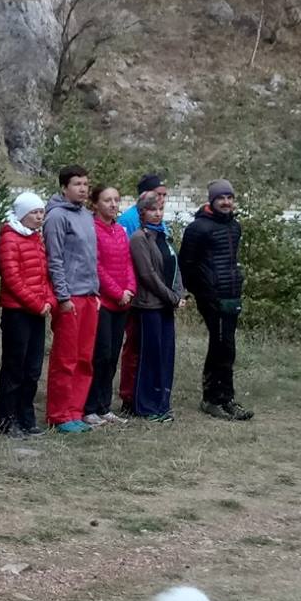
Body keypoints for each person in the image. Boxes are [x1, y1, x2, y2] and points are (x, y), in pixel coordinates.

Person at [179, 179, 252, 421]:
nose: (226, 202)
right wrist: (201, 292)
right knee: (220, 346)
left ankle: (227, 398)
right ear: (212, 200)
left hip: (231, 294)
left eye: (230, 197)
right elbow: (186, 266)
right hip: (212, 297)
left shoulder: (235, 227)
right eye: (221, 198)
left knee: (227, 347)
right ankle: (211, 399)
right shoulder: (197, 229)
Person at [42, 165, 100, 434]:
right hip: (70, 297)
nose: (83, 188)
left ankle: (76, 410)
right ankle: (59, 414)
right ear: (64, 187)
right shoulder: (56, 217)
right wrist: (63, 296)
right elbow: (55, 260)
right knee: (65, 358)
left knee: (85, 357)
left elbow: (91, 257)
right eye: (77, 183)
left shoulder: (87, 216)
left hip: (89, 295)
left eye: (86, 184)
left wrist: (96, 292)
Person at [0, 191, 55, 437]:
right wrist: (37, 304)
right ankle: (6, 421)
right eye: (34, 212)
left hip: (38, 311)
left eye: (41, 212)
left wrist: (49, 300)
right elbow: (12, 279)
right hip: (18, 312)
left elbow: (44, 276)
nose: (39, 216)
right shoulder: (10, 240)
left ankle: (26, 417)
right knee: (14, 367)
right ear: (22, 215)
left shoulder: (36, 239)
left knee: (32, 368)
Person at [84, 184, 137, 426]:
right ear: (95, 204)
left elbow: (127, 262)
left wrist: (130, 289)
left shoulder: (120, 230)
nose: (114, 205)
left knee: (113, 354)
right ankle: (90, 406)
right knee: (101, 355)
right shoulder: (92, 230)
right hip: (104, 302)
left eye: (116, 200)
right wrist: (117, 292)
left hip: (122, 303)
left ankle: (104, 406)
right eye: (108, 200)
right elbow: (97, 267)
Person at [129, 195, 185, 421]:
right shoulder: (138, 238)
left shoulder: (164, 236)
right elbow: (147, 274)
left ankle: (162, 404)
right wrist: (171, 297)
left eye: (160, 209)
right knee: (149, 356)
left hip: (166, 305)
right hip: (149, 305)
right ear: (141, 213)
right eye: (152, 210)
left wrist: (179, 293)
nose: (157, 213)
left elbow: (175, 267)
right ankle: (146, 406)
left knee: (165, 355)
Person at [115, 173, 165, 412]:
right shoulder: (129, 220)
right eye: (158, 194)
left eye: (165, 195)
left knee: (149, 347)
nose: (162, 200)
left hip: (156, 295)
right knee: (134, 346)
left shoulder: (158, 219)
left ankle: (147, 392)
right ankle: (129, 396)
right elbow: (128, 257)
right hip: (137, 294)